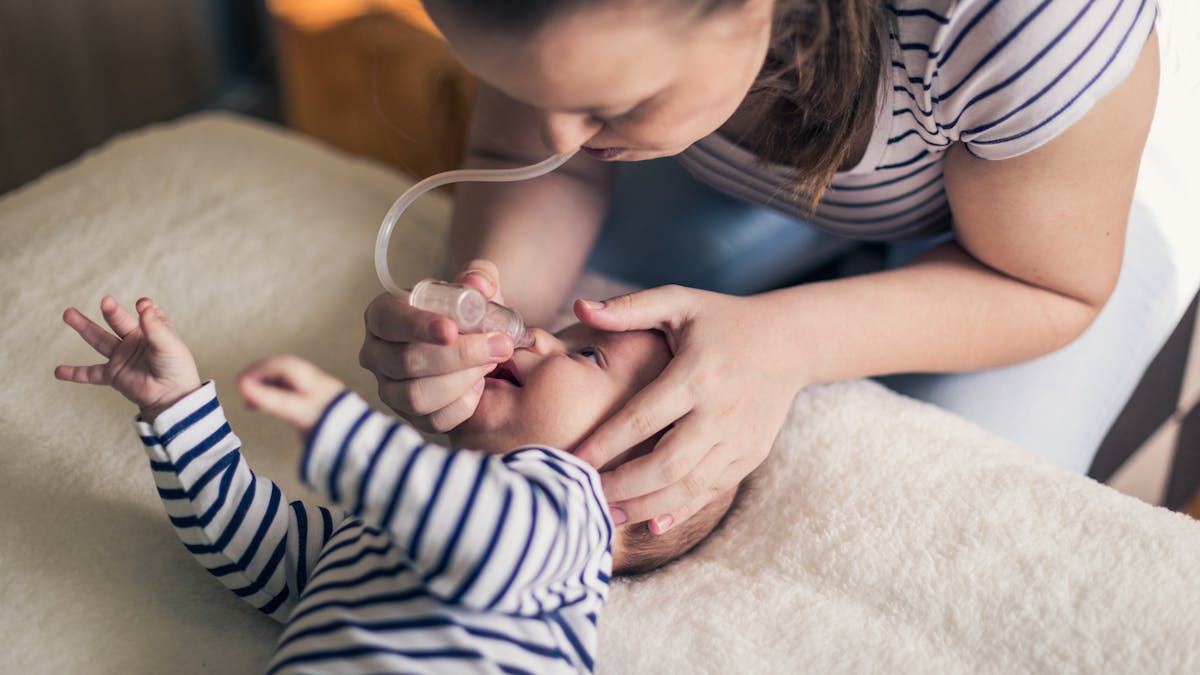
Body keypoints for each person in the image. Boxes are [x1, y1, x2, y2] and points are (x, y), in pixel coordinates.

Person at [359, 0, 1165, 535]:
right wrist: (485, 316)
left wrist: (788, 341)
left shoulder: (1025, 20)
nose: (562, 134)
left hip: (1008, 248)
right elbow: (538, 160)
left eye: (611, 103)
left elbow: (1047, 283)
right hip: (716, 181)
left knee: (949, 514)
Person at [54, 295, 738, 674]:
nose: (537, 336)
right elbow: (262, 552)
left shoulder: (572, 511)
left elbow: (483, 534)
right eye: (560, 332)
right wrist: (176, 411)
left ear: (653, 481)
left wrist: (346, 432)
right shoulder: (403, 507)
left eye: (587, 354)